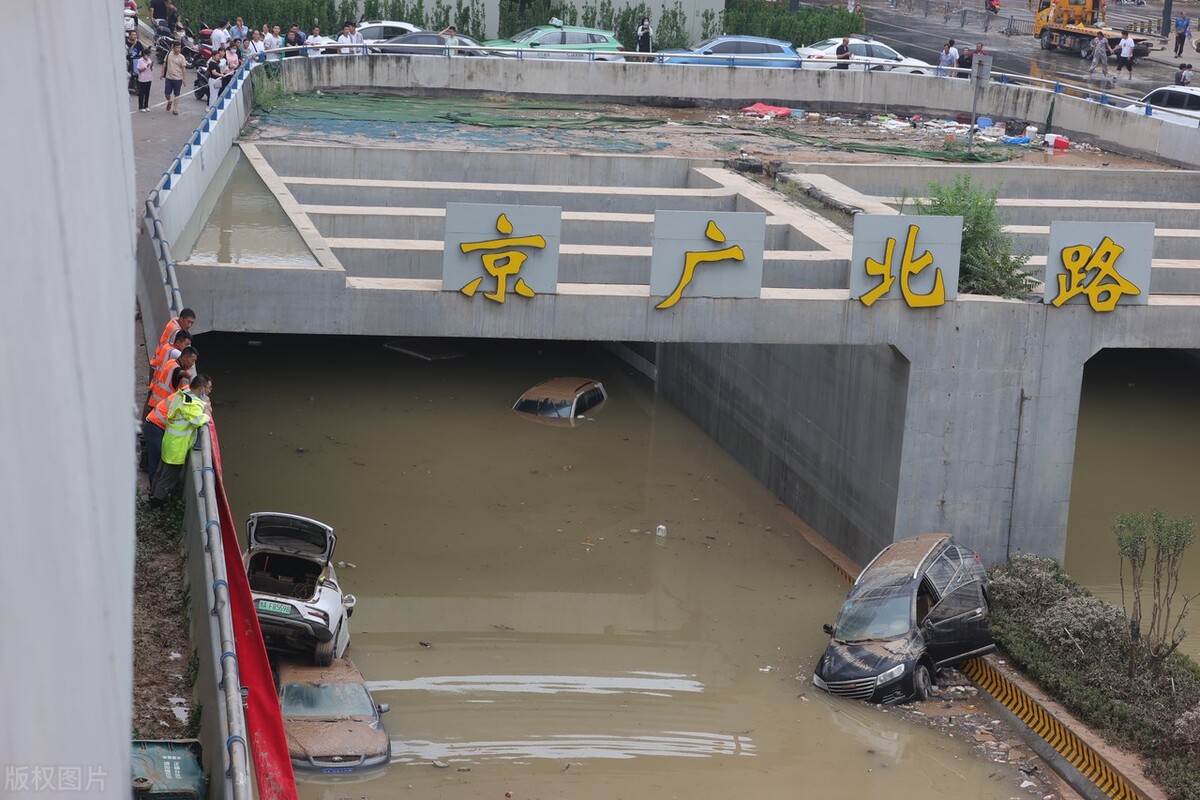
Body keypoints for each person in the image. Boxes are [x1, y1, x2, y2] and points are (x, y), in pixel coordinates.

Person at [149, 374, 213, 508]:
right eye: (208, 388)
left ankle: (153, 496)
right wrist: (206, 413)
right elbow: (198, 420)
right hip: (177, 447)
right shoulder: (191, 404)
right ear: (201, 389)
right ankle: (157, 504)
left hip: (169, 442)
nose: (209, 391)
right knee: (167, 478)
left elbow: (192, 407)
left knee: (160, 473)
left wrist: (203, 404)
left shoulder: (182, 395)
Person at [142, 374, 189, 478]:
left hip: (155, 423)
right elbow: (194, 415)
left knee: (153, 454)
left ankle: (147, 471)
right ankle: (152, 490)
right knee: (155, 458)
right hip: (154, 425)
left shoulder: (185, 392)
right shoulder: (187, 397)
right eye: (208, 388)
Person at [162, 40, 187, 113]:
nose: (178, 49)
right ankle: (169, 101)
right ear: (173, 47)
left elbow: (183, 68)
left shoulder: (182, 57)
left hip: (178, 78)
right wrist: (162, 72)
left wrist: (184, 79)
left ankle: (175, 109)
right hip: (169, 77)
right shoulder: (169, 54)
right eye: (177, 47)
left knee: (177, 94)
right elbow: (164, 63)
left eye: (180, 48)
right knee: (167, 93)